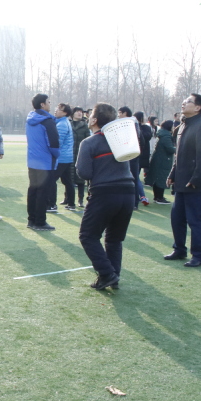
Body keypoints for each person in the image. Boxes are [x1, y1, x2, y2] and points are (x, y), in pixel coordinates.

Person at [76, 103, 135, 290]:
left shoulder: (89, 142)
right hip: (128, 192)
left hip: (104, 193)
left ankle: (107, 273)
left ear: (94, 120)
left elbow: (84, 173)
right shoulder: (120, 140)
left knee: (88, 236)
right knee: (114, 239)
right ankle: (113, 277)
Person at [165, 93, 201, 268]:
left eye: (188, 102)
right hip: (181, 182)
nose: (183, 103)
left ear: (198, 108)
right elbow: (179, 156)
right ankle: (179, 249)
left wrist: (196, 178)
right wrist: (172, 174)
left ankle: (198, 256)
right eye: (184, 101)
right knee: (177, 219)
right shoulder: (184, 125)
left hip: (195, 183)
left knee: (195, 221)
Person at [26, 94, 60, 231]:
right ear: (42, 104)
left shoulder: (29, 119)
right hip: (45, 162)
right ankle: (40, 222)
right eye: (48, 102)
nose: (50, 104)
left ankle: (31, 220)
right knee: (42, 192)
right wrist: (57, 155)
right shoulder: (48, 121)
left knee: (33, 190)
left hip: (32, 161)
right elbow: (54, 143)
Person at [118, 107, 149, 207]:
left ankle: (134, 202)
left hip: (130, 154)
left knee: (132, 178)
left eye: (120, 113)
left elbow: (140, 140)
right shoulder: (133, 123)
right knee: (133, 178)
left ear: (125, 113)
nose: (118, 115)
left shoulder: (129, 124)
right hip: (132, 154)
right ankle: (133, 202)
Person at [48, 103, 75, 211]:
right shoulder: (63, 122)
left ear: (65, 113)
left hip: (61, 157)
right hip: (67, 157)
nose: (56, 110)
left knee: (51, 180)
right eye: (57, 108)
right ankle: (71, 203)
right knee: (68, 181)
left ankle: (52, 204)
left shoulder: (62, 124)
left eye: (59, 109)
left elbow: (58, 142)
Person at [144, 120, 175, 204]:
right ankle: (159, 197)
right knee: (161, 178)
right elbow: (170, 149)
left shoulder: (162, 134)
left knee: (157, 178)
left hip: (158, 159)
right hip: (163, 160)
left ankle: (157, 197)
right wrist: (178, 149)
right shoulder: (166, 136)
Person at [70, 107, 90, 207]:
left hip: (80, 154)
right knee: (69, 178)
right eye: (77, 111)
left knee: (80, 179)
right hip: (69, 154)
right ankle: (68, 198)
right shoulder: (68, 124)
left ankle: (80, 199)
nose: (79, 113)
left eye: (81, 112)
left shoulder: (85, 125)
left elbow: (88, 140)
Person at [133, 111, 153, 205]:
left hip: (141, 155)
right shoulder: (138, 127)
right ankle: (141, 196)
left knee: (135, 177)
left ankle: (141, 196)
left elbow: (147, 137)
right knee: (135, 177)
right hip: (138, 155)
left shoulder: (145, 128)